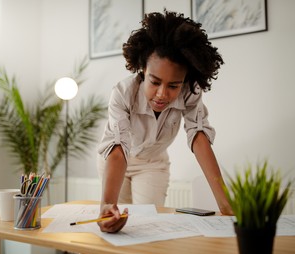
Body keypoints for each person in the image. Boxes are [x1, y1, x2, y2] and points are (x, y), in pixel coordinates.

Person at [96, 10, 233, 233]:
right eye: (155, 82)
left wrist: (226, 205)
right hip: (115, 159)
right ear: (142, 70)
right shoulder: (122, 93)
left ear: (185, 81)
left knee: (148, 227)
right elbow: (118, 147)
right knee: (114, 225)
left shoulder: (190, 92)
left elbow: (199, 137)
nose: (162, 94)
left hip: (153, 164)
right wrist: (105, 208)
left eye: (173, 86)